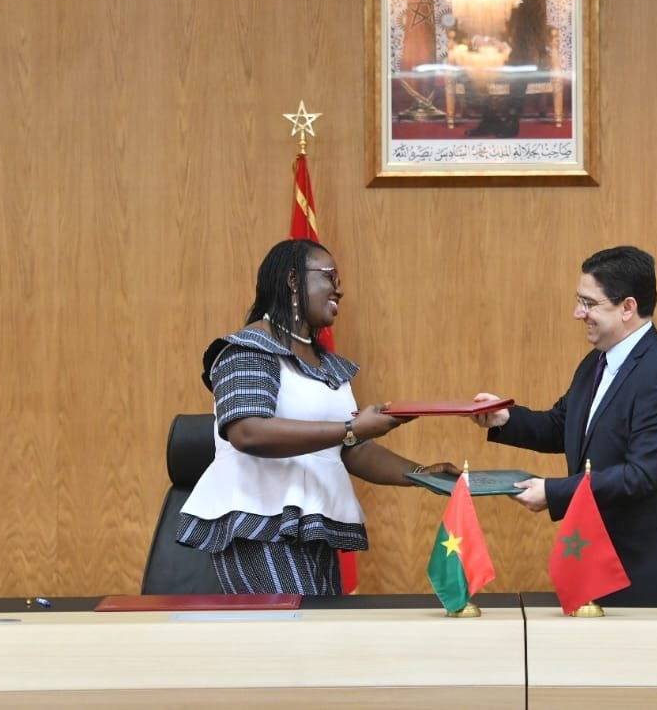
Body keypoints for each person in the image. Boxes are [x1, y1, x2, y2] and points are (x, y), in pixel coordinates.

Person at [177, 239, 458, 595]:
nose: (339, 289)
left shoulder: (327, 366)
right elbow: (247, 431)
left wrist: (421, 475)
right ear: (293, 280)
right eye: (329, 277)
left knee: (323, 628)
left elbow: (350, 448)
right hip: (256, 525)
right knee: (293, 630)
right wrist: (351, 427)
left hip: (313, 524)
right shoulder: (249, 349)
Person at [471, 246, 657, 600]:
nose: (577, 313)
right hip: (599, 564)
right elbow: (563, 426)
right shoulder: (595, 363)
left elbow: (640, 476)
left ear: (627, 307)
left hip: (650, 575)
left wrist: (553, 492)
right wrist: (505, 417)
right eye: (578, 301)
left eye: (588, 303)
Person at [462, 0, 550, 139]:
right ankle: (490, 118)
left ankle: (511, 120)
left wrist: (510, 45)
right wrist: (479, 39)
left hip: (521, 48)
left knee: (520, 60)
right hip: (491, 48)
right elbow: (474, 21)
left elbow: (537, 26)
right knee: (469, 65)